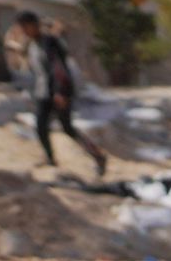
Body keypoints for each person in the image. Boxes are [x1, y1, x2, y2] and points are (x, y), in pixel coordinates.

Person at [16, 11, 106, 177]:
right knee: (41, 126)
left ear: (34, 24)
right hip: (43, 93)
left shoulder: (50, 43)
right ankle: (50, 159)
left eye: (26, 26)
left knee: (67, 128)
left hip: (59, 93)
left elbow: (59, 69)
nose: (24, 30)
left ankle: (98, 156)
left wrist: (60, 92)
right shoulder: (32, 45)